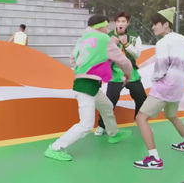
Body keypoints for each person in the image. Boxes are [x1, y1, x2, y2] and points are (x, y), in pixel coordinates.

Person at [44, 14, 133, 161]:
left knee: (107, 106)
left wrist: (84, 70)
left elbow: (72, 59)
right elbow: (123, 60)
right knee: (86, 125)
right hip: (86, 86)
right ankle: (55, 148)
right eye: (106, 26)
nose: (107, 28)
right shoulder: (105, 39)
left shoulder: (82, 39)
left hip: (86, 83)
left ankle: (113, 133)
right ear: (100, 26)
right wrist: (128, 74)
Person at [133, 7, 184, 170]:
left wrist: (154, 78)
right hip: (178, 87)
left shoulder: (163, 43)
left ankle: (154, 158)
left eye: (156, 24)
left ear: (166, 24)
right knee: (171, 115)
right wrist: (180, 75)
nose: (154, 27)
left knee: (141, 118)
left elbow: (161, 69)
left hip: (165, 87)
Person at [95, 11, 147, 136]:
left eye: (123, 21)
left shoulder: (135, 37)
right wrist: (112, 44)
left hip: (131, 72)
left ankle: (138, 120)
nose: (121, 24)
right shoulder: (108, 36)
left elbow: (137, 54)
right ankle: (102, 125)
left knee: (141, 97)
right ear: (115, 23)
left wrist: (126, 44)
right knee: (110, 101)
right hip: (115, 73)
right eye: (118, 21)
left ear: (127, 23)